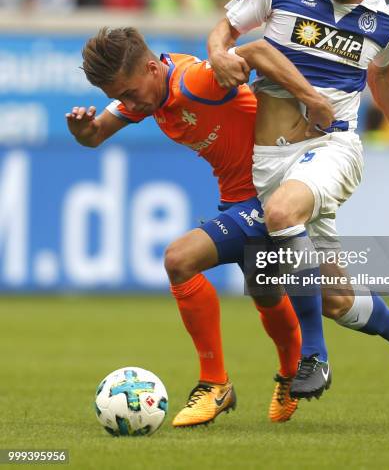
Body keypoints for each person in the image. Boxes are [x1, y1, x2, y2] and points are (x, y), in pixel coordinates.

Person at [207, 0, 389, 403]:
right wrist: (220, 54)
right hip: (272, 158)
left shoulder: (387, 20)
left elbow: (382, 74)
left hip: (334, 145)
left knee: (281, 212)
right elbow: (225, 28)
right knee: (332, 296)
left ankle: (316, 356)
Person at [66, 27, 333, 427]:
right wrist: (83, 134)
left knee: (179, 259)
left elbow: (258, 52)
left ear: (152, 69)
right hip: (236, 198)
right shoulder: (148, 92)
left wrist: (314, 101)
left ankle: (214, 384)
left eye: (127, 93)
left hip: (268, 197)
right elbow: (98, 133)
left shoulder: (196, 81)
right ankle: (297, 370)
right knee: (267, 293)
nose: (126, 103)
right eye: (117, 98)